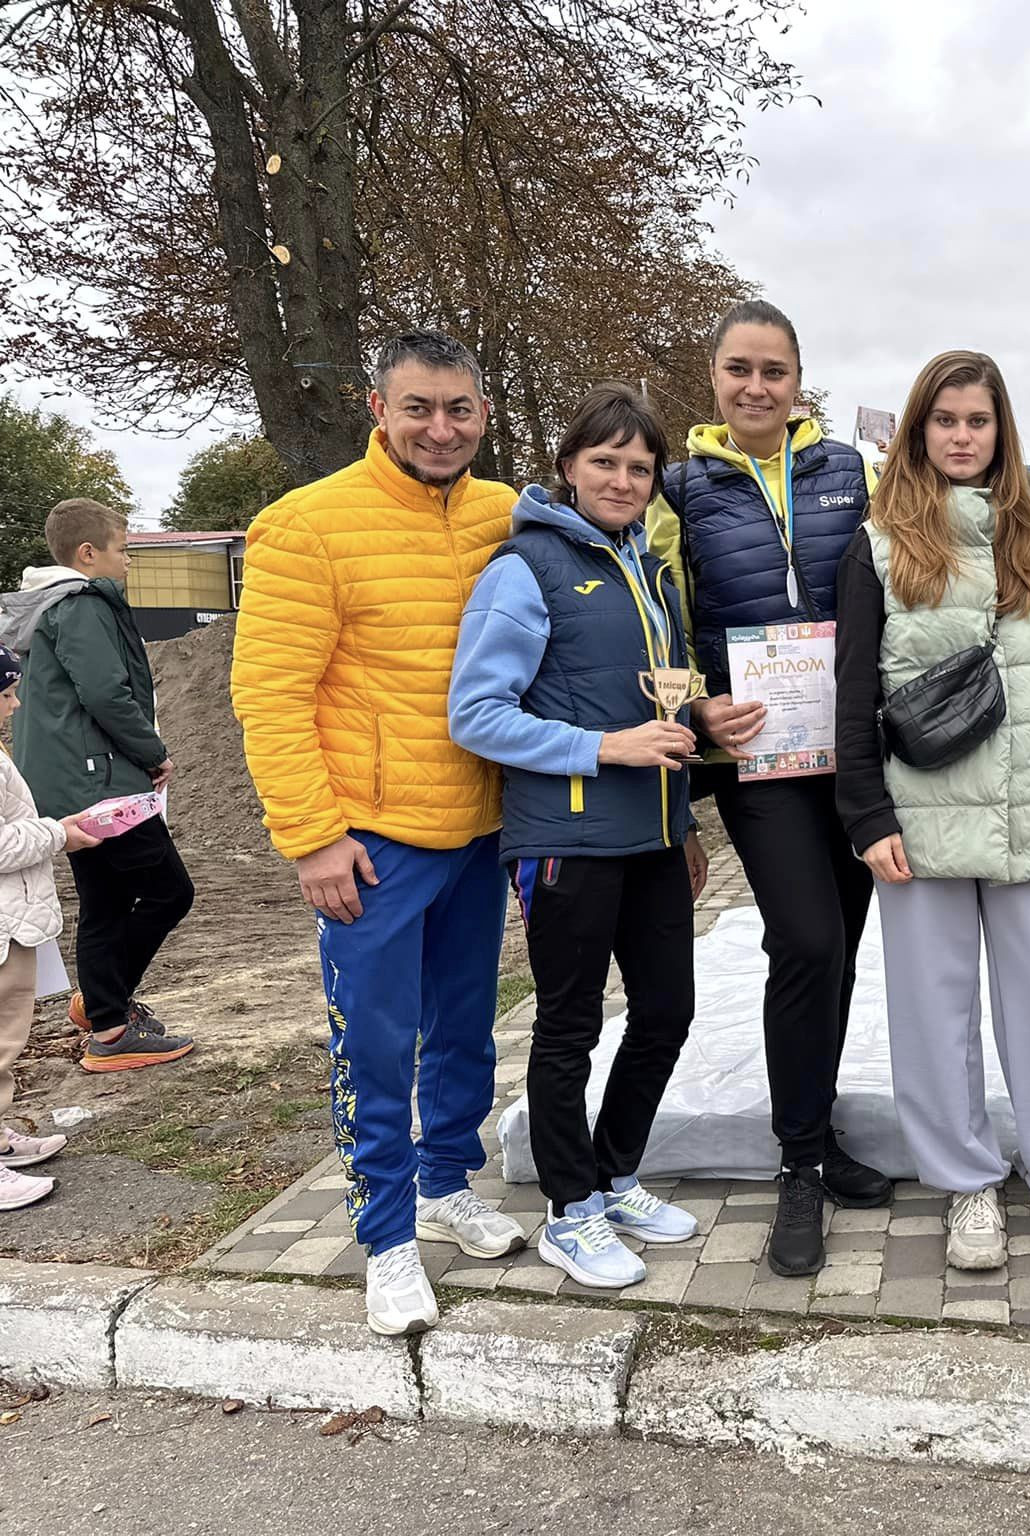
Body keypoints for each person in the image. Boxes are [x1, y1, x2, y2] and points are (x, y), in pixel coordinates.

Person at [232, 330, 525, 1336]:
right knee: (377, 1041)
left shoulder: (507, 516)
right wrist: (311, 837)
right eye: (418, 409)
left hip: (481, 827)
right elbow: (269, 693)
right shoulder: (305, 527)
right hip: (372, 843)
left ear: (483, 415)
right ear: (377, 409)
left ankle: (447, 1182)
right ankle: (386, 1237)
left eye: (458, 410)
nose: (439, 429)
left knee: (464, 1029)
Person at [834, 349, 1030, 1271]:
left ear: (1002, 431)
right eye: (944, 420)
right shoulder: (877, 545)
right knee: (932, 1012)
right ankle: (966, 1186)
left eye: (977, 421)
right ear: (918, 431)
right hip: (923, 815)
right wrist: (866, 815)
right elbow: (852, 689)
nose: (961, 436)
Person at [646, 300, 890, 1279]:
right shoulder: (677, 487)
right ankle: (797, 1164)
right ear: (713, 379)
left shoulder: (846, 472)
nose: (756, 387)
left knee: (839, 952)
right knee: (805, 940)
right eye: (739, 369)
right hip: (757, 759)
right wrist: (697, 707)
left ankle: (821, 1132)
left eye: (774, 371)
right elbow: (657, 624)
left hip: (853, 750)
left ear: (798, 380)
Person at [450, 385, 709, 1289]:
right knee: (569, 1027)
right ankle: (570, 1211)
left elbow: (658, 697)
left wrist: (699, 765)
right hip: (563, 841)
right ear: (567, 467)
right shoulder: (524, 568)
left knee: (668, 1012)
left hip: (653, 835)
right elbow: (476, 715)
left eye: (641, 467)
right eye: (605, 461)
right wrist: (605, 748)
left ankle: (614, 1173)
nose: (624, 479)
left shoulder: (650, 568)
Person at [13, 498, 195, 1072]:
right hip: (99, 779)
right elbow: (105, 691)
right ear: (88, 553)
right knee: (169, 890)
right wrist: (152, 751)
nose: (129, 562)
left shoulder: (46, 606)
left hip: (68, 777)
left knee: (106, 903)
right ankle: (109, 1024)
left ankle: (104, 1008)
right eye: (123, 549)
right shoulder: (81, 604)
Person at [0, 644, 104, 1210]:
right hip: (2, 918)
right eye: (8, 694)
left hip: (10, 917)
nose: (15, 705)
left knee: (8, 1034)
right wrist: (58, 833)